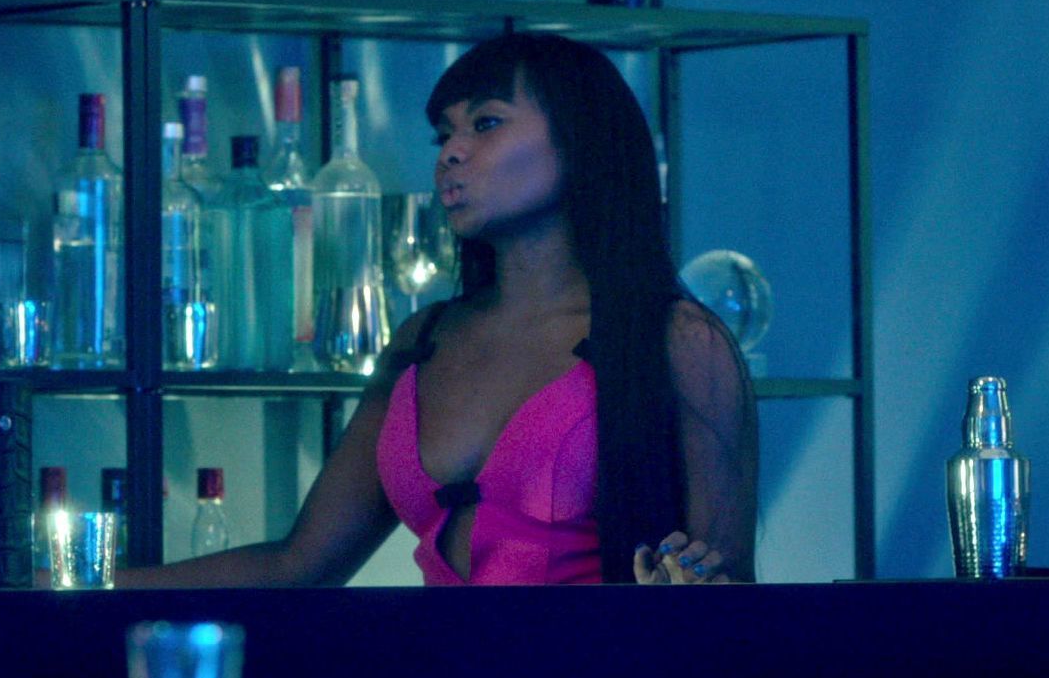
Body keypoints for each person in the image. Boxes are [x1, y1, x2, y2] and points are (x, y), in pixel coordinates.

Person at [120, 32, 757, 587]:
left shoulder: (677, 339)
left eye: (485, 124)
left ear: (580, 140)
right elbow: (299, 564)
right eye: (444, 133)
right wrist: (85, 584)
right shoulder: (423, 339)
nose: (450, 152)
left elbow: (729, 588)